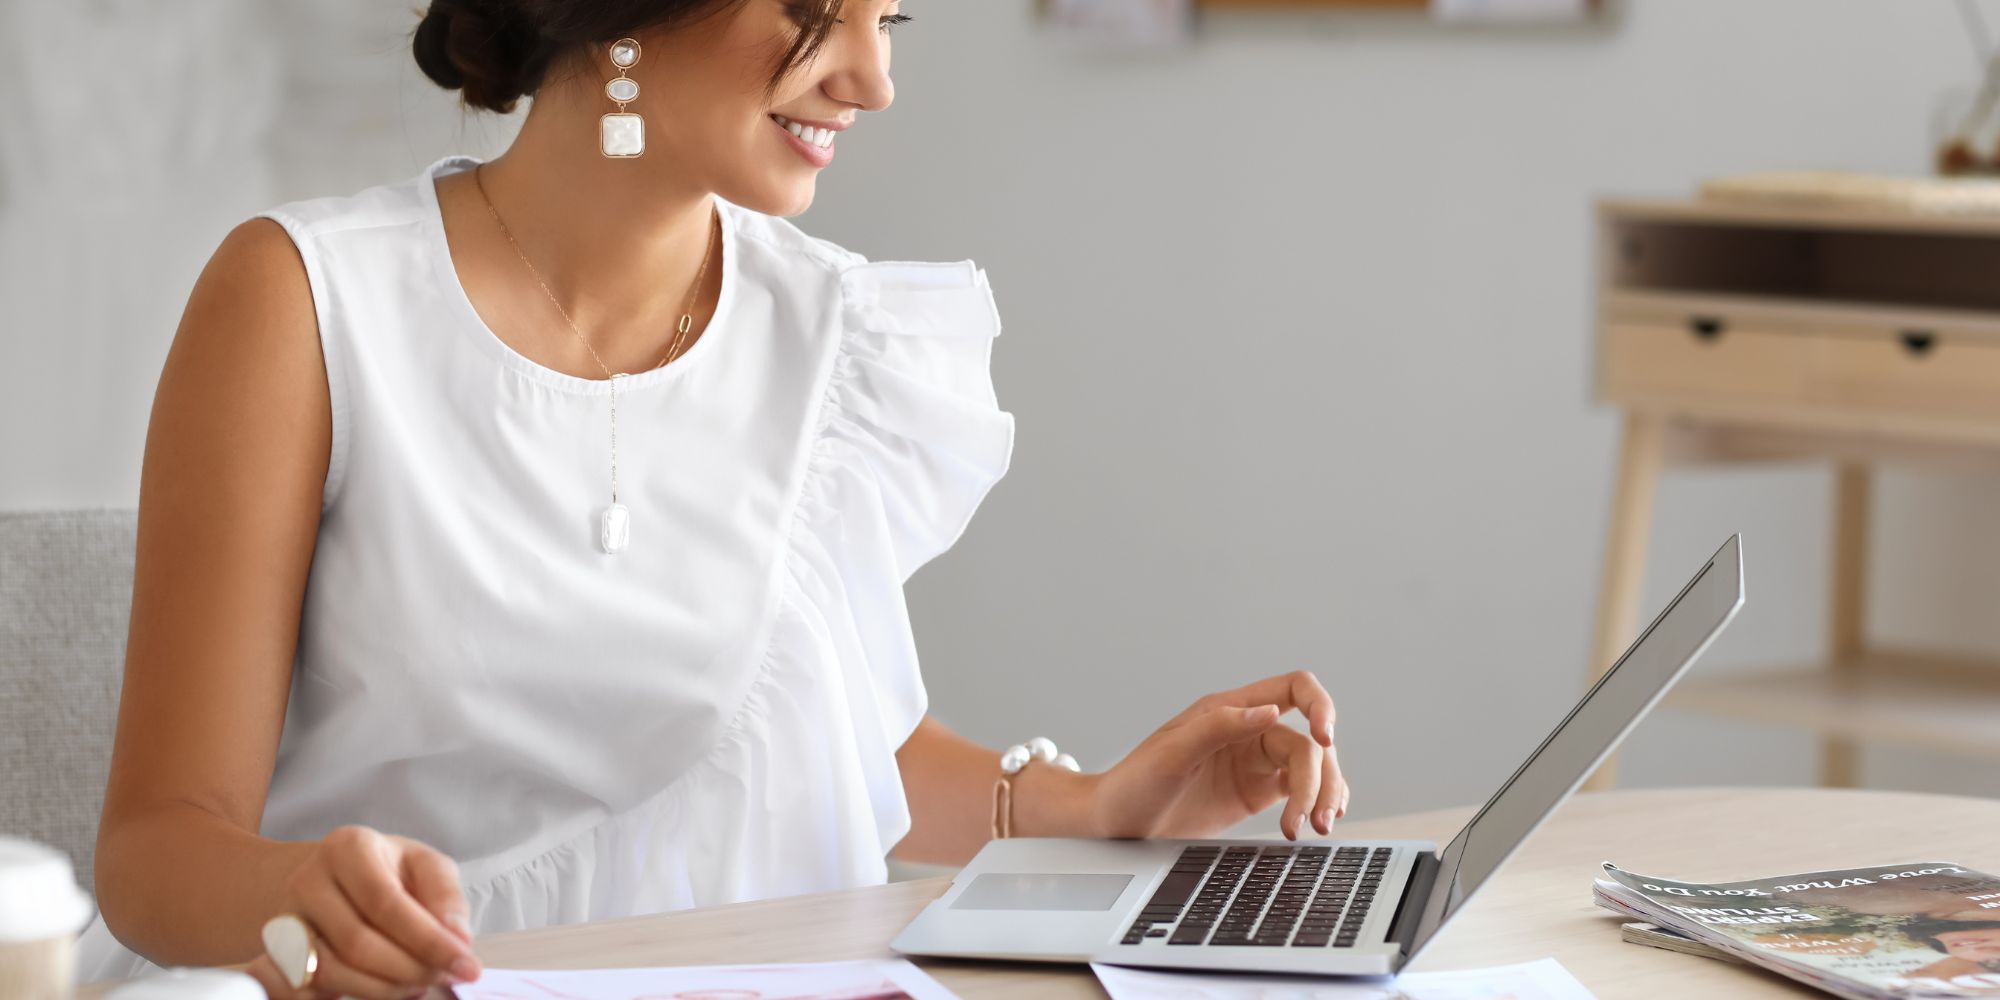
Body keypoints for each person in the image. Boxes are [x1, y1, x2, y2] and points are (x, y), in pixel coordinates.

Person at [77, 2, 1350, 997]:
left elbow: (787, 737)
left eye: (885, 22)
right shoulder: (309, 302)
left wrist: (1096, 804)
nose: (871, 78)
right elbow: (155, 854)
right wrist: (306, 890)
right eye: (814, 11)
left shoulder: (842, 340)